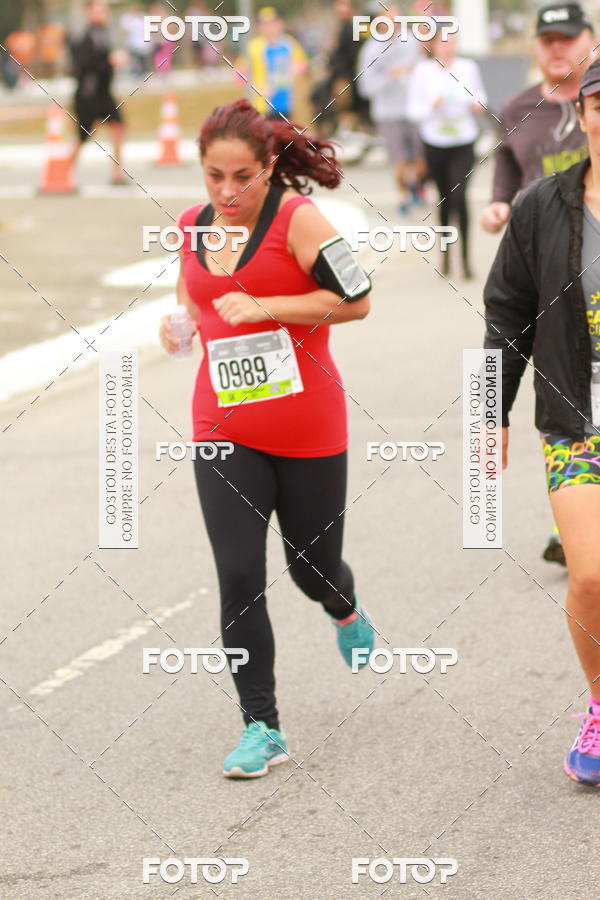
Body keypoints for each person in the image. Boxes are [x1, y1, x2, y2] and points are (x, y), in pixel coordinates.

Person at [158, 98, 375, 778]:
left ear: (269, 166)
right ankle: (262, 726)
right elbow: (188, 301)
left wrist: (268, 307)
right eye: (214, 176)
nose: (226, 192)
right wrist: (179, 328)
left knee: (312, 571)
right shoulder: (193, 226)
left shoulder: (299, 220)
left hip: (309, 426)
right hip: (223, 428)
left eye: (242, 177)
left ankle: (343, 607)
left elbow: (359, 298)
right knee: (239, 575)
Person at [484, 59, 600, 788]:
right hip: (576, 421)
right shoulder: (542, 207)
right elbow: (506, 312)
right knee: (590, 576)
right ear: (585, 113)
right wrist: (486, 411)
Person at [481, 3, 598, 567]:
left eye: (566, 38)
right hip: (544, 252)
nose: (555, 48)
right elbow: (504, 315)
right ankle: (573, 519)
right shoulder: (516, 108)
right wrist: (501, 204)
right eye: (545, 39)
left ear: (589, 40)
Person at [406, 29, 487, 278]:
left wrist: (476, 105)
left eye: (451, 43)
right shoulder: (422, 71)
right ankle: (445, 256)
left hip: (463, 140)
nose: (447, 48)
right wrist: (432, 106)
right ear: (433, 47)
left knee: (460, 196)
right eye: (442, 43)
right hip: (435, 141)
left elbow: (481, 98)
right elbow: (413, 111)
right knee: (443, 198)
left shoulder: (467, 67)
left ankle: (465, 259)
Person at [357, 3, 425, 215]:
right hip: (387, 113)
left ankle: (415, 184)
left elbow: (423, 70)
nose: (394, 24)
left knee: (422, 158)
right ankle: (403, 197)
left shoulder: (410, 42)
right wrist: (389, 77)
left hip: (414, 109)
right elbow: (365, 87)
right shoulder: (371, 49)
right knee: (399, 160)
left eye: (397, 19)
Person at [69, 0, 127, 185]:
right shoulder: (83, 36)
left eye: (105, 10)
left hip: (104, 94)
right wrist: (109, 61)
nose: (104, 14)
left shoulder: (104, 33)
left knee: (118, 126)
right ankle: (65, 171)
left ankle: (117, 173)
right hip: (88, 95)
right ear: (90, 13)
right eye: (99, 10)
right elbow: (82, 65)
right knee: (83, 136)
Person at [237, 6, 308, 120]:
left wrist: (296, 70)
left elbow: (303, 65)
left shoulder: (289, 44)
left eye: (273, 23)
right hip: (261, 107)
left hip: (287, 105)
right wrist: (257, 88)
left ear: (280, 23)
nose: (270, 27)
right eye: (265, 24)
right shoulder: (253, 47)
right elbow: (238, 75)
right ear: (259, 27)